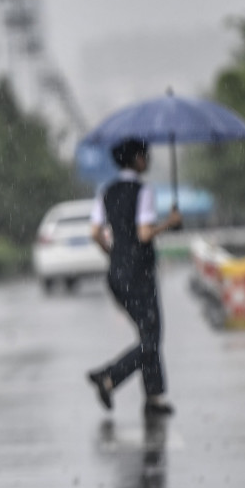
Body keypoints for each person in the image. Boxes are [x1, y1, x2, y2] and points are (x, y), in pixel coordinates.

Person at [86, 137, 182, 415]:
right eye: (145, 155)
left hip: (116, 275)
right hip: (139, 273)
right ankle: (109, 377)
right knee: (151, 340)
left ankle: (154, 398)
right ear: (136, 159)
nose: (148, 160)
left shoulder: (106, 190)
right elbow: (143, 233)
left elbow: (95, 233)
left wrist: (114, 254)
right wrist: (170, 223)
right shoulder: (143, 190)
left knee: (147, 334)